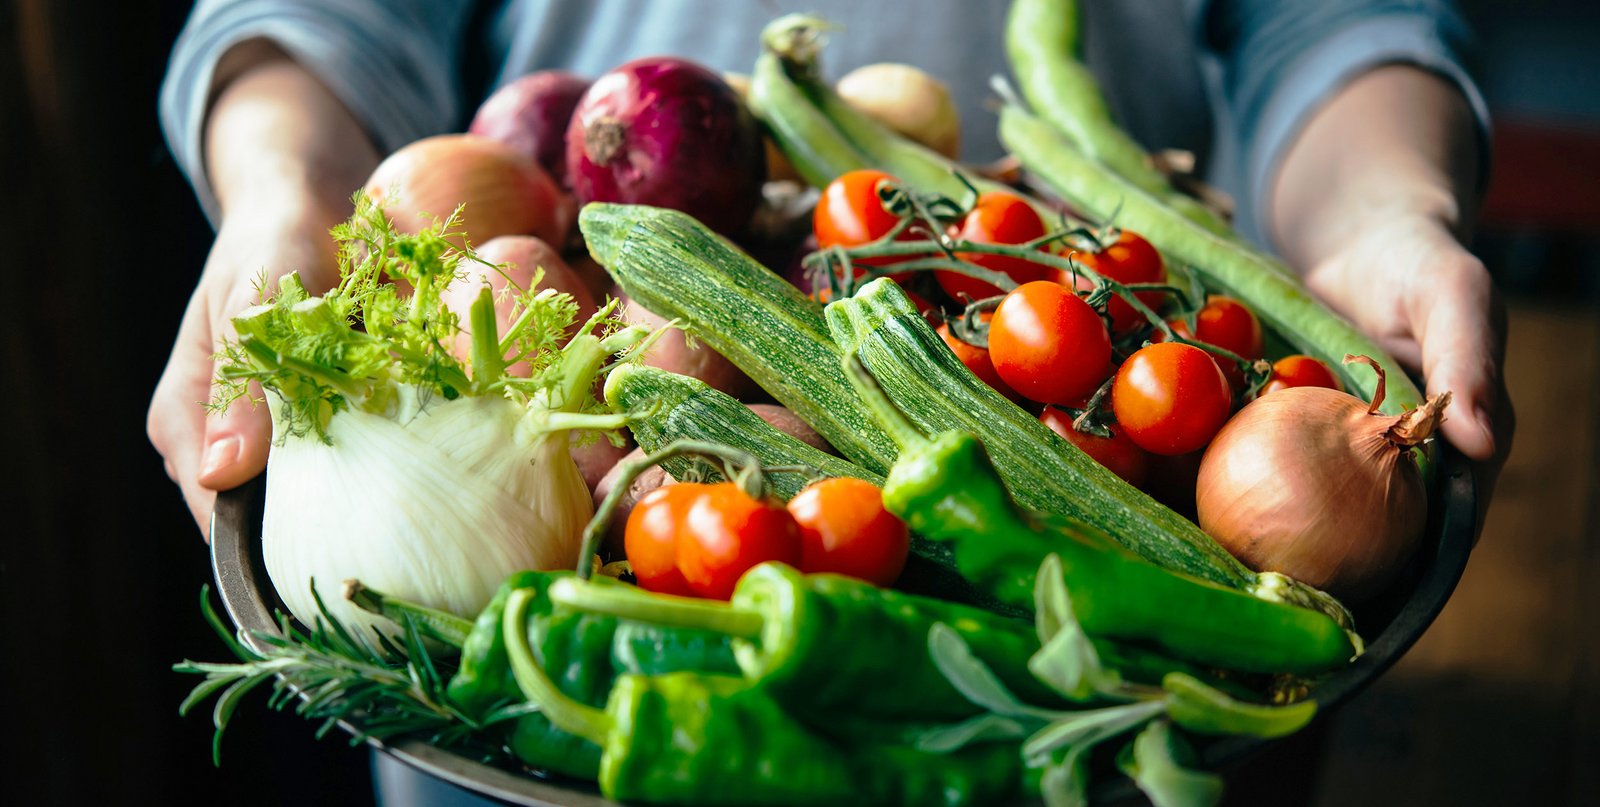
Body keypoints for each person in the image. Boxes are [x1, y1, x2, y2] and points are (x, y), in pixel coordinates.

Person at [150, 2, 1510, 802]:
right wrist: (283, 199)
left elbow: (1332, 17)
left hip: (1106, 514)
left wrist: (1388, 210)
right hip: (535, 722)